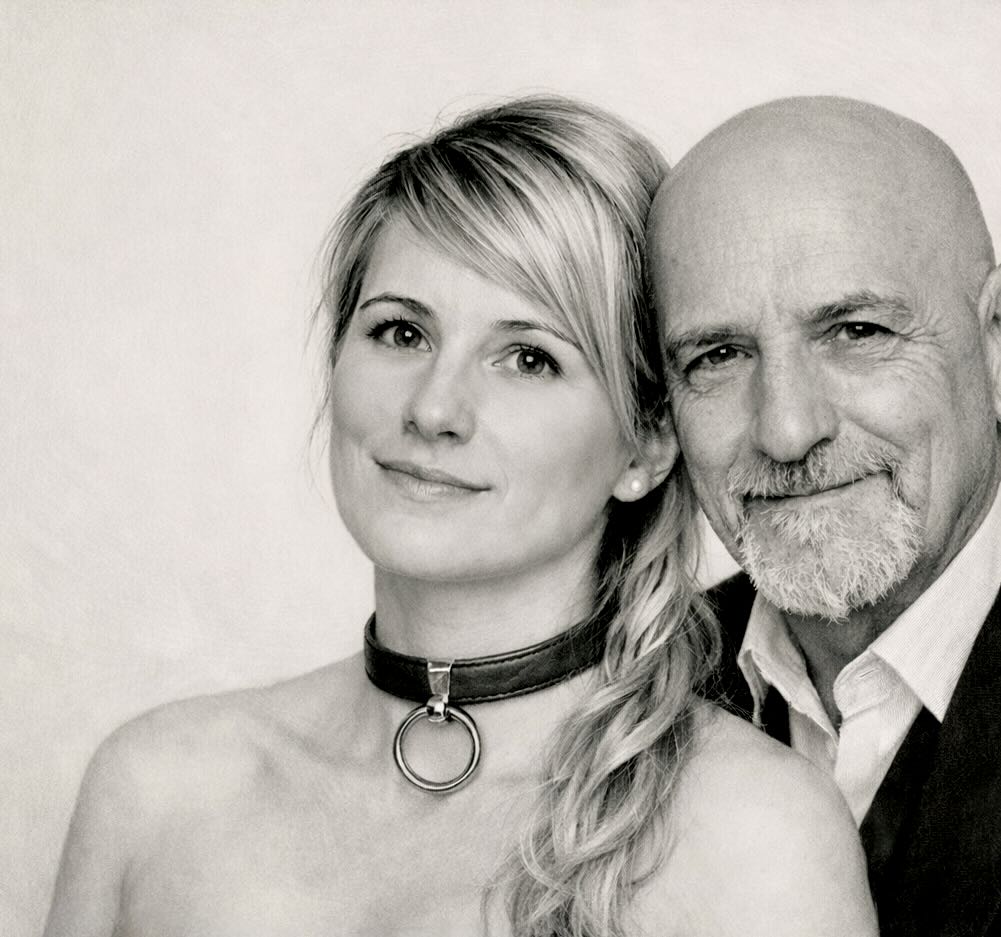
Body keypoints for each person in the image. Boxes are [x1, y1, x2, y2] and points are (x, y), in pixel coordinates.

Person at [43, 96, 875, 937]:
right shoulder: (153, 788)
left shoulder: (758, 834)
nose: (434, 408)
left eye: (528, 358)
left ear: (645, 443)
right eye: (401, 332)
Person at [648, 94, 1001, 937]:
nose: (786, 429)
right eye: (719, 355)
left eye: (855, 331)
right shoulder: (626, 704)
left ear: (993, 341)